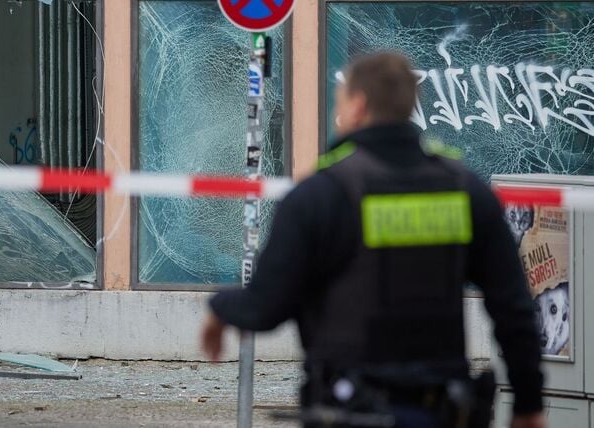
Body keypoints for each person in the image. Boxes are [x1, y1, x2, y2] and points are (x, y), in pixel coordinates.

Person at [201, 52, 545, 428]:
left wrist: (221, 310)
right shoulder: (466, 191)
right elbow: (513, 306)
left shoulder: (321, 195)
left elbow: (265, 306)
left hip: (351, 409)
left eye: (340, 101)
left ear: (359, 106)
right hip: (443, 410)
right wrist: (528, 404)